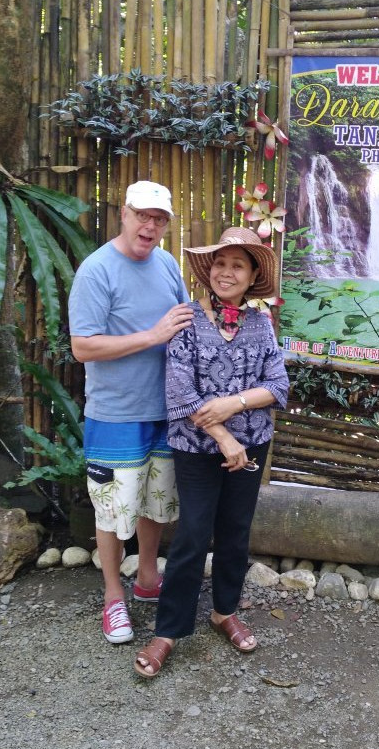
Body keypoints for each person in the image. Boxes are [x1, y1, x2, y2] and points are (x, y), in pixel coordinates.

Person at [134, 226, 289, 678]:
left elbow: (278, 386)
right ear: (208, 271)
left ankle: (224, 611)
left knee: (236, 531)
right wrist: (224, 435)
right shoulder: (184, 318)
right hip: (197, 448)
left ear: (252, 274)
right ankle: (168, 630)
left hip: (253, 443)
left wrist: (235, 403)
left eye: (237, 264)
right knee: (192, 534)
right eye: (220, 263)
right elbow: (180, 394)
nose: (227, 272)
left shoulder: (262, 324)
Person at [68, 181, 194, 644]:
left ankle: (145, 579)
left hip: (166, 408)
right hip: (116, 412)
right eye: (143, 215)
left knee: (157, 499)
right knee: (112, 509)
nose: (150, 226)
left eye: (159, 219)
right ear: (124, 213)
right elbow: (83, 347)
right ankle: (112, 597)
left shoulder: (166, 264)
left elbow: (182, 321)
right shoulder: (97, 271)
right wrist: (152, 336)